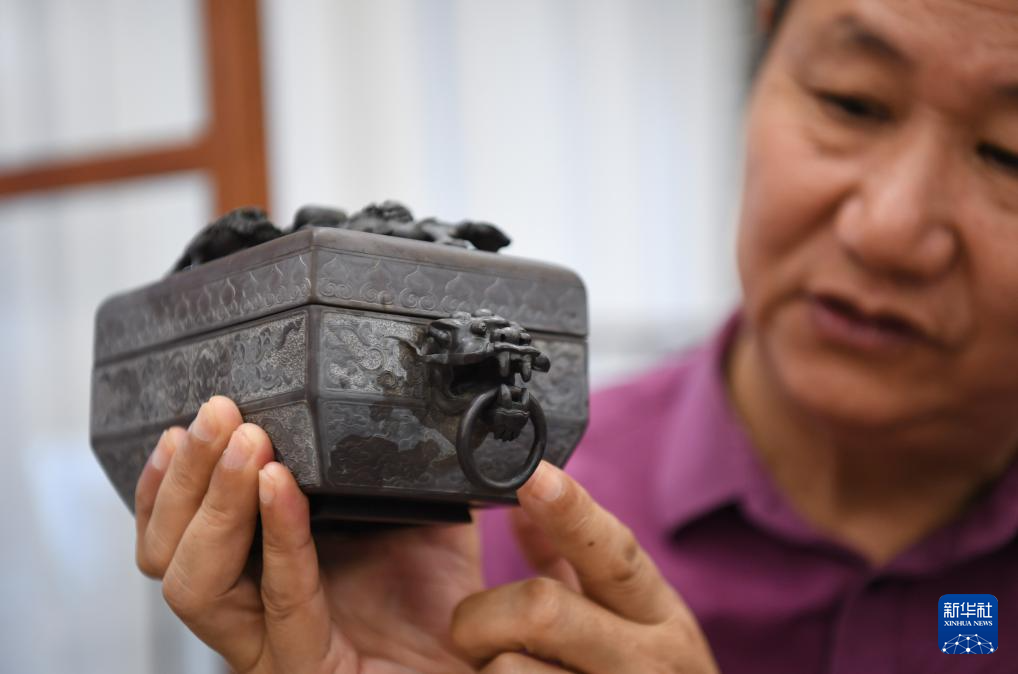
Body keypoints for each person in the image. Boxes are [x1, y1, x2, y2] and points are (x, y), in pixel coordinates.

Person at [132, 0, 1018, 671]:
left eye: (1008, 153)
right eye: (852, 102)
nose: (891, 229)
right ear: (759, 63)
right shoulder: (482, 517)